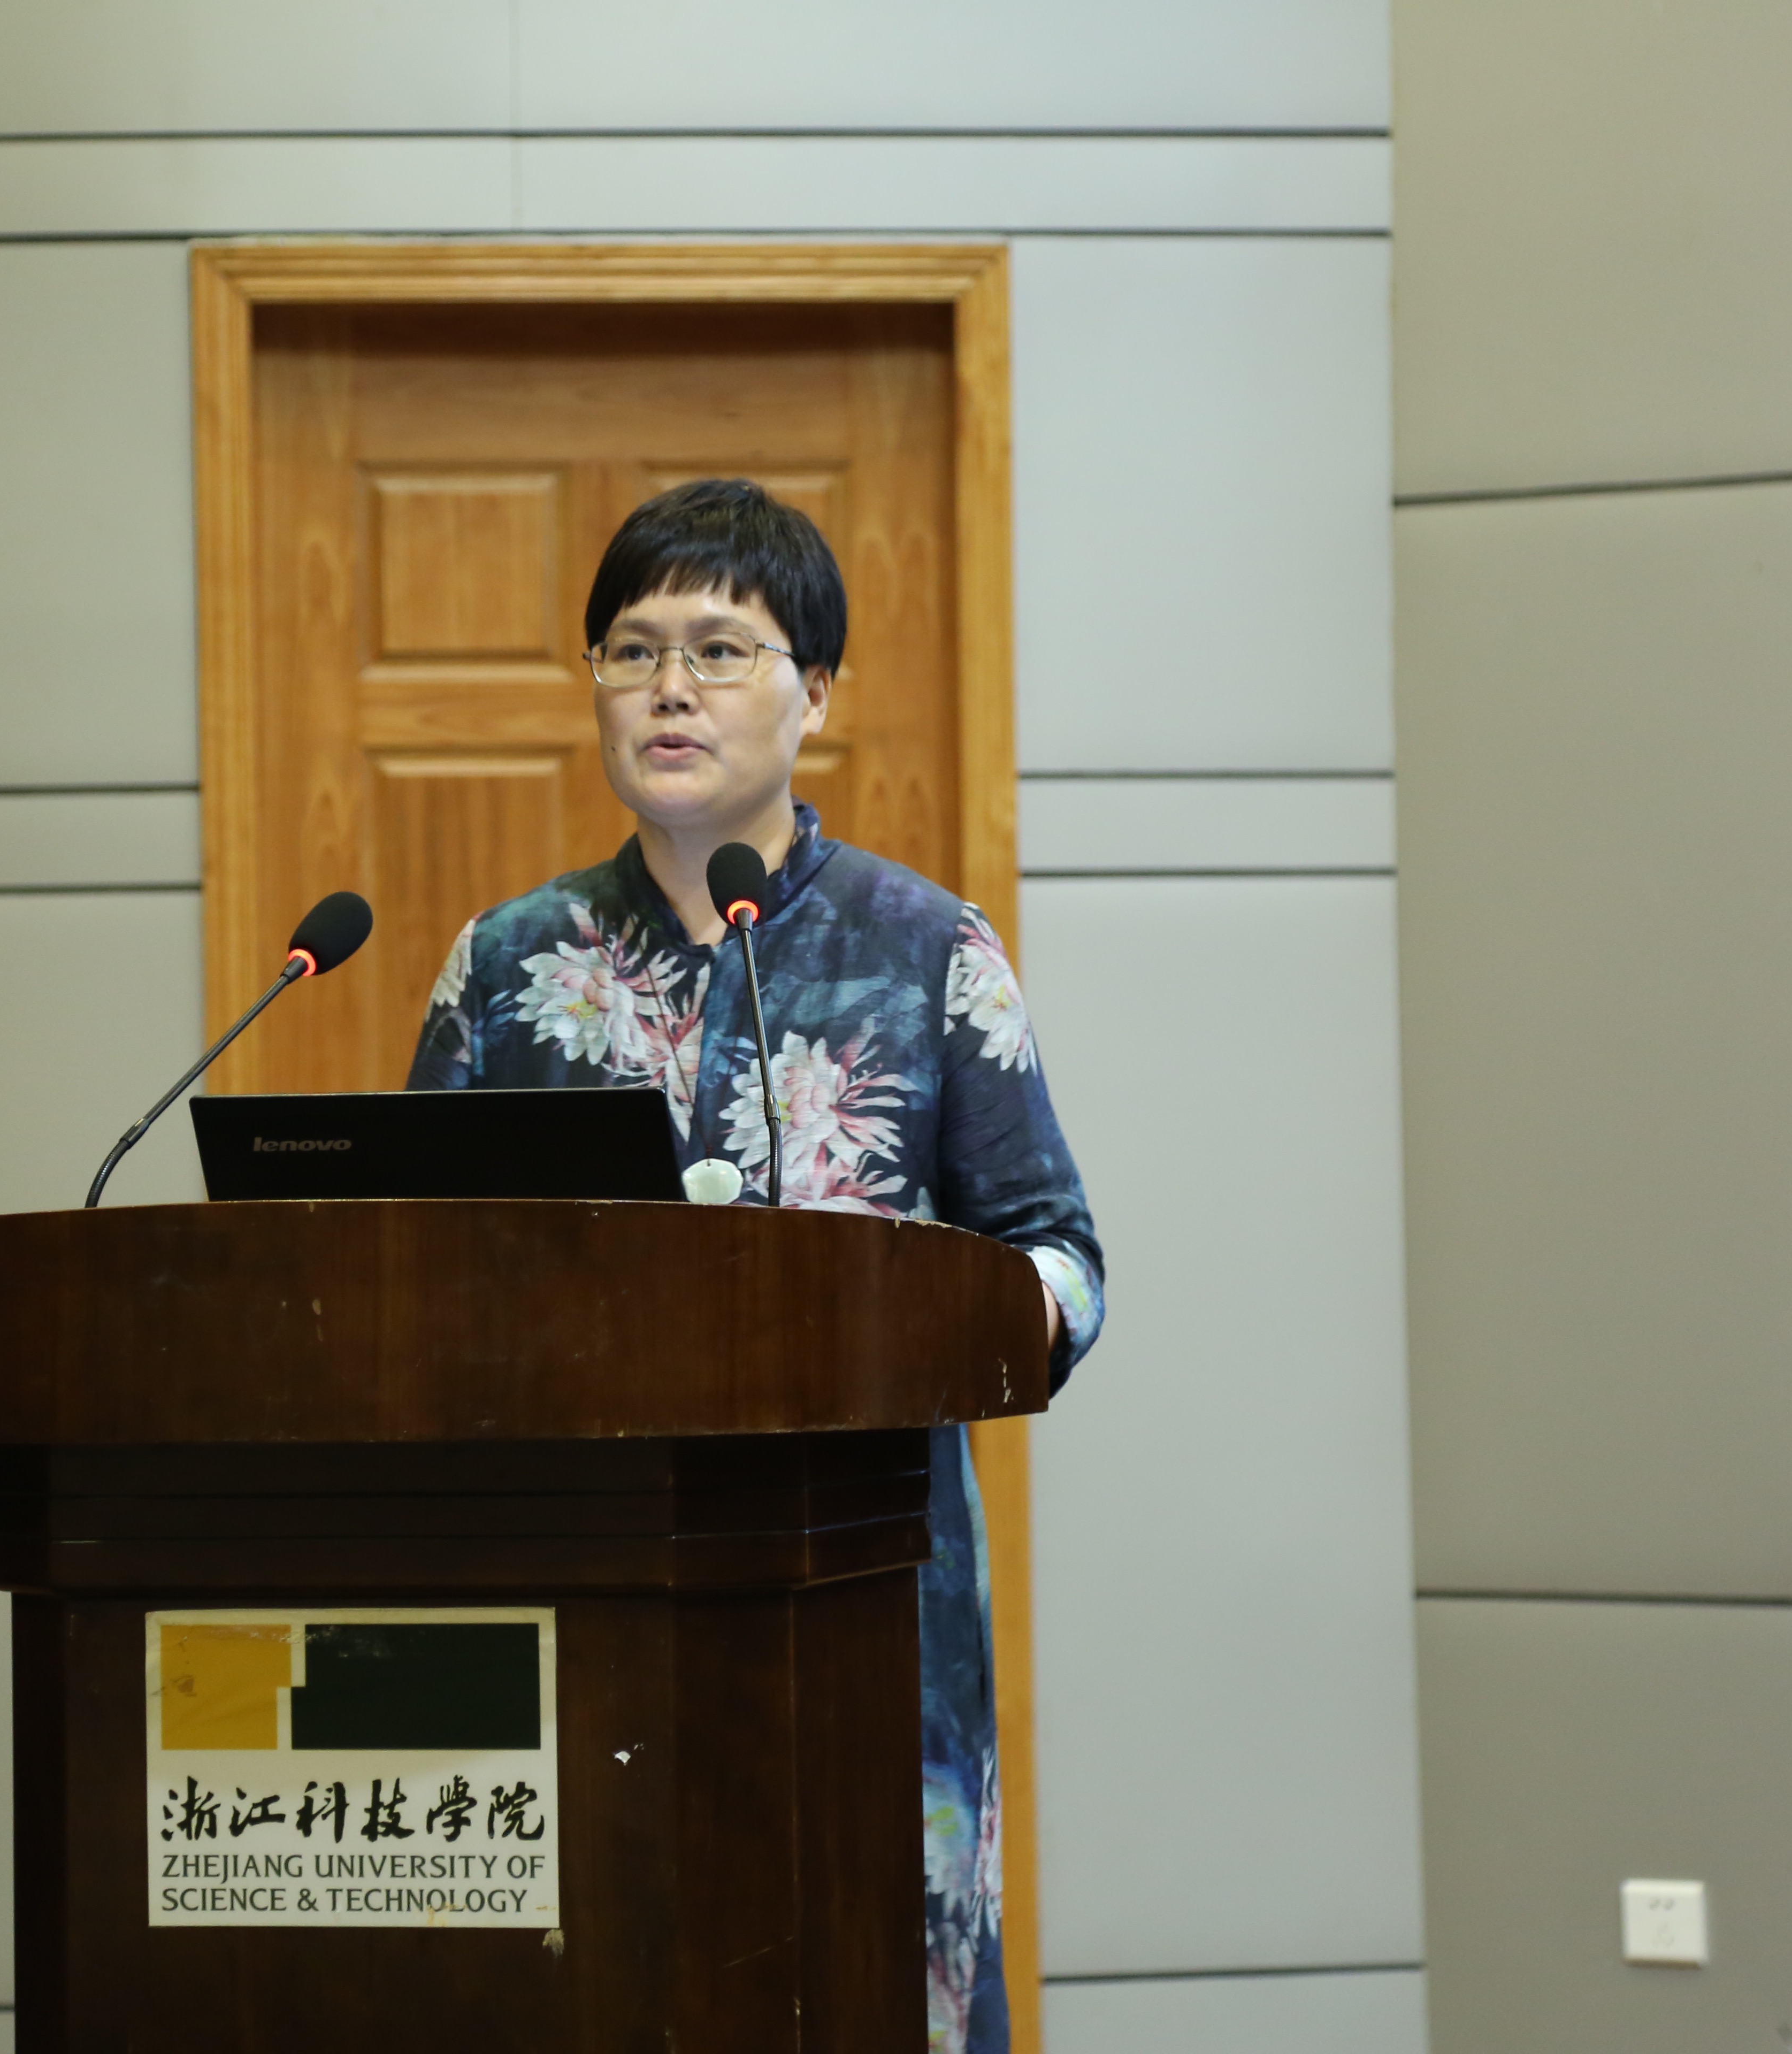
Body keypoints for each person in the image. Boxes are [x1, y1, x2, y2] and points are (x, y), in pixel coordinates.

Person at [407, 478, 1105, 2054]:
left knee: (858, 1979)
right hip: (566, 1593)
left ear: (816, 695)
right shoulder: (504, 968)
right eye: (632, 650)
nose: (669, 688)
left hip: (867, 1593)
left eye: (720, 650)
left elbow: (1061, 1263)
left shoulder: (925, 951)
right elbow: (412, 1284)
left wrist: (926, 1311)